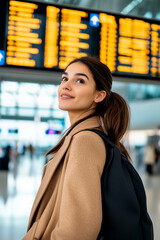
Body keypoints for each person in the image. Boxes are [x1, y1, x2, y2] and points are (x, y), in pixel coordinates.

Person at [22, 56, 130, 240]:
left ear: (99, 95)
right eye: (65, 78)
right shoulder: (79, 137)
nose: (66, 85)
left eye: (79, 80)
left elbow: (78, 231)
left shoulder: (85, 140)